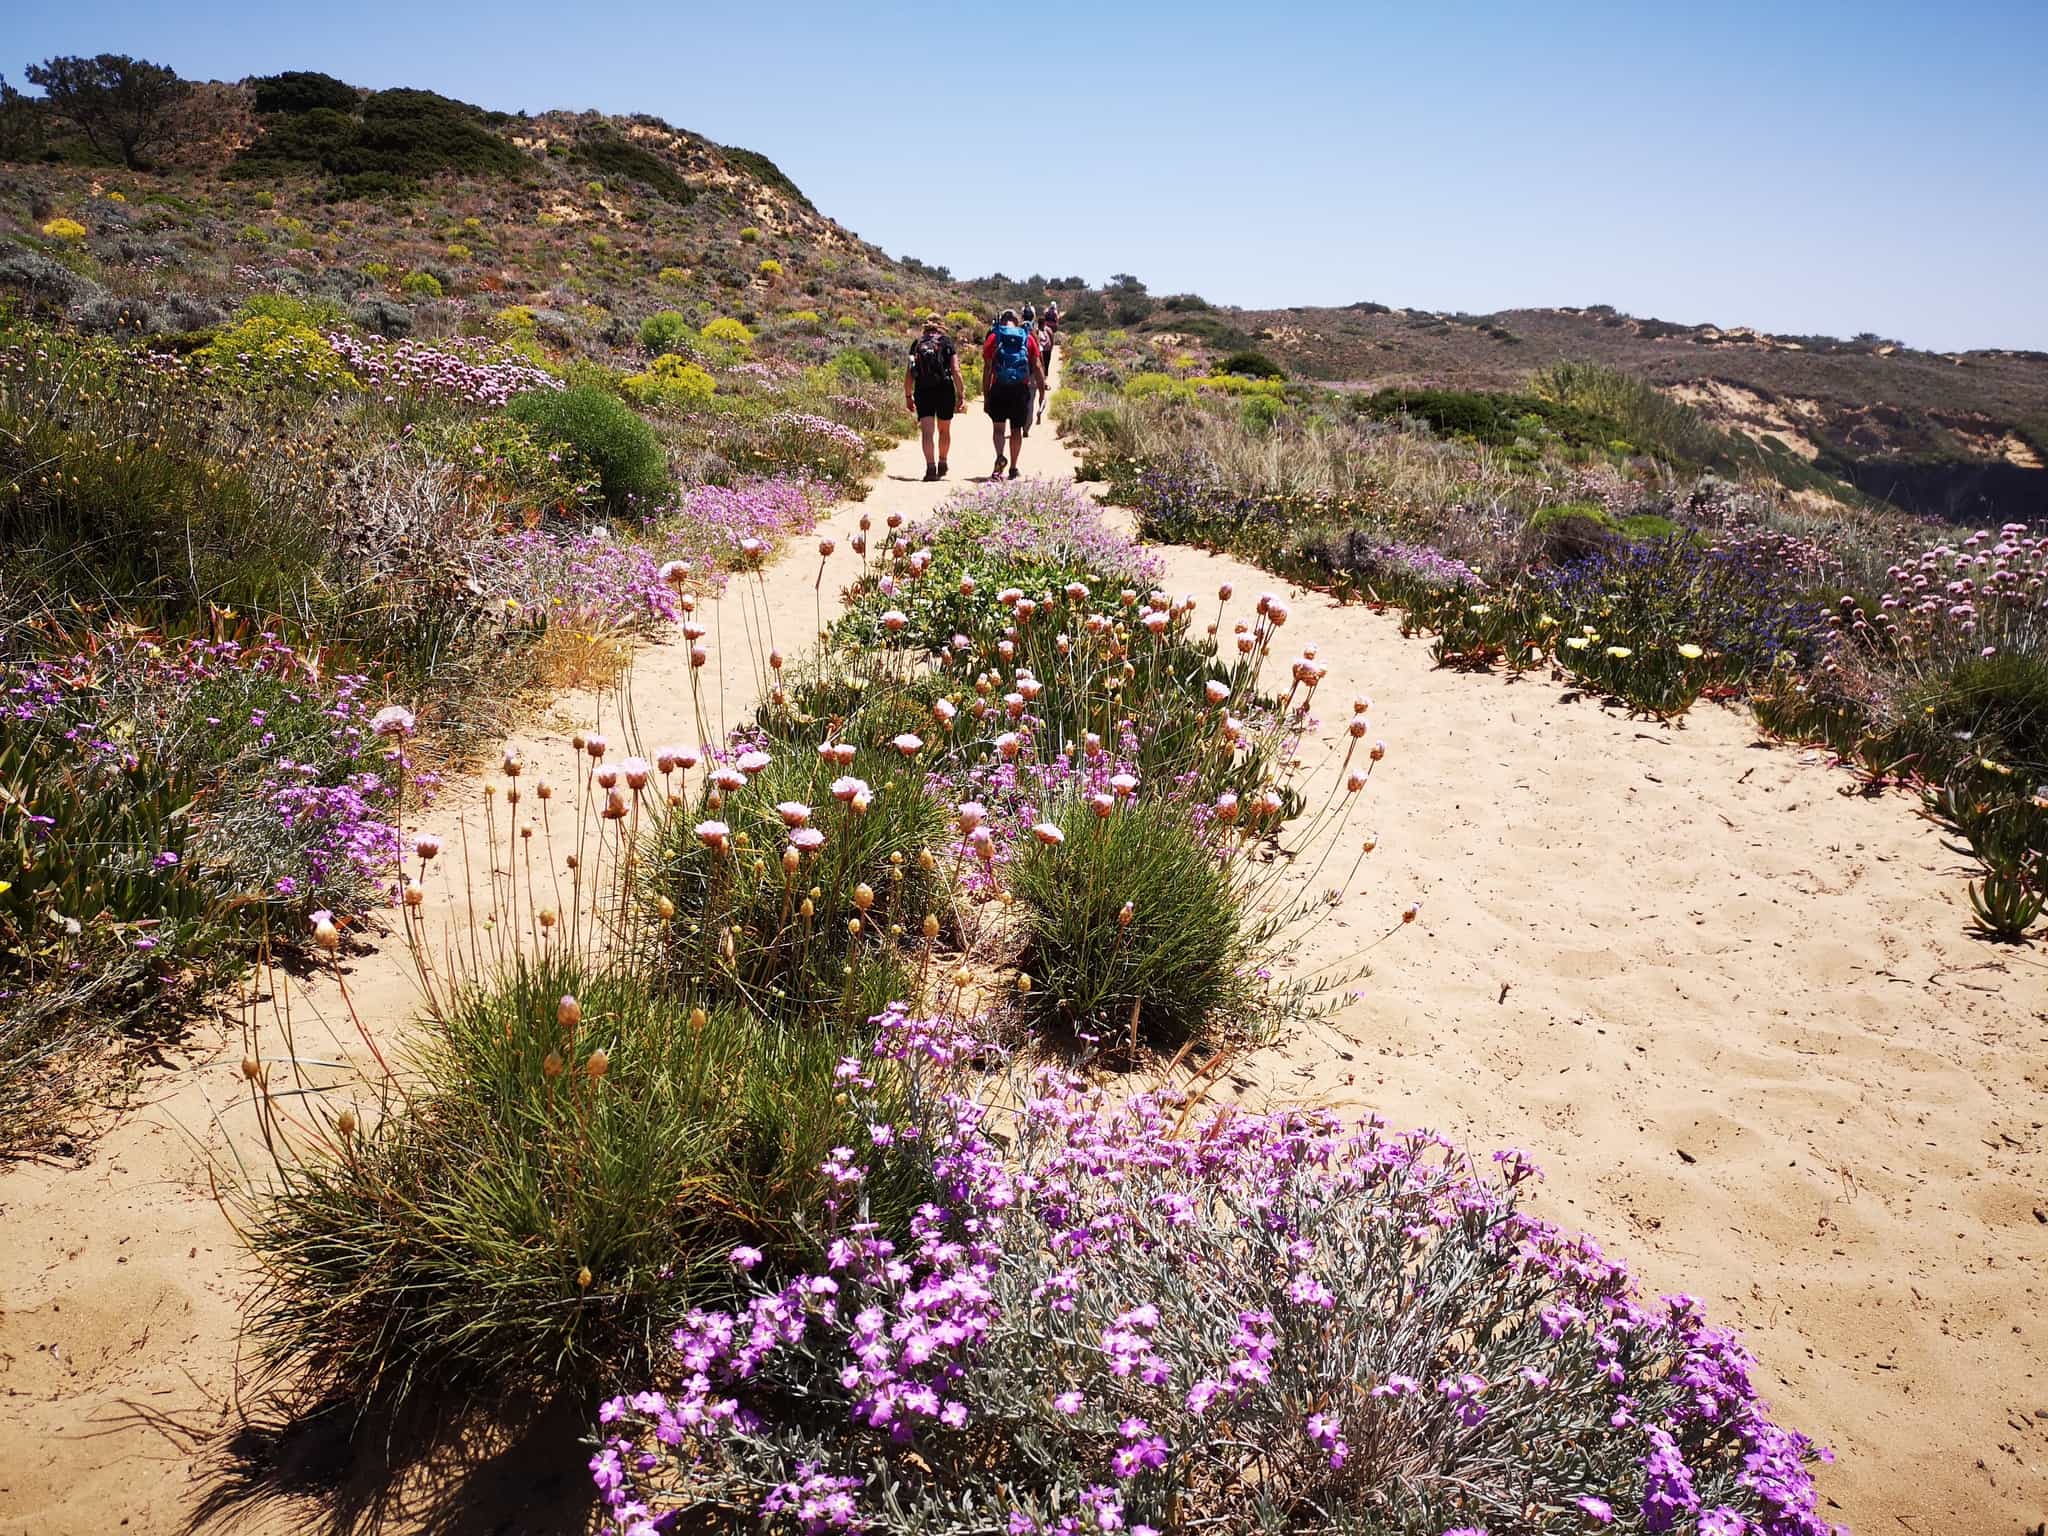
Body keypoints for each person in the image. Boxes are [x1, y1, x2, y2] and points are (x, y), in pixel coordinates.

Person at [982, 307, 1043, 479]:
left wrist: (986, 395)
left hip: (999, 387)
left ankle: (1000, 456)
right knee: (1016, 430)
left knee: (999, 429)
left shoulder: (994, 337)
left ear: (1002, 321)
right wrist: (1042, 392)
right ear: (1017, 321)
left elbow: (987, 369)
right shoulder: (1027, 337)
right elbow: (1037, 366)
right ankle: (1014, 468)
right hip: (1020, 389)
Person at [904, 314, 964, 480]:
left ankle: (930, 468)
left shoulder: (917, 344)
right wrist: (961, 394)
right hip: (944, 389)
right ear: (941, 326)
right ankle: (942, 462)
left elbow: (909, 373)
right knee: (944, 430)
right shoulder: (946, 342)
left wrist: (908, 396)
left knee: (927, 432)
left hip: (923, 390)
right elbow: (955, 370)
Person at [1033, 308, 1057, 424]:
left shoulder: (1037, 330)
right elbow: (1052, 340)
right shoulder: (1048, 330)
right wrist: (1051, 348)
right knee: (1045, 367)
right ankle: (1044, 381)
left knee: (1042, 367)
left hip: (1040, 352)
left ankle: (1043, 381)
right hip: (1046, 351)